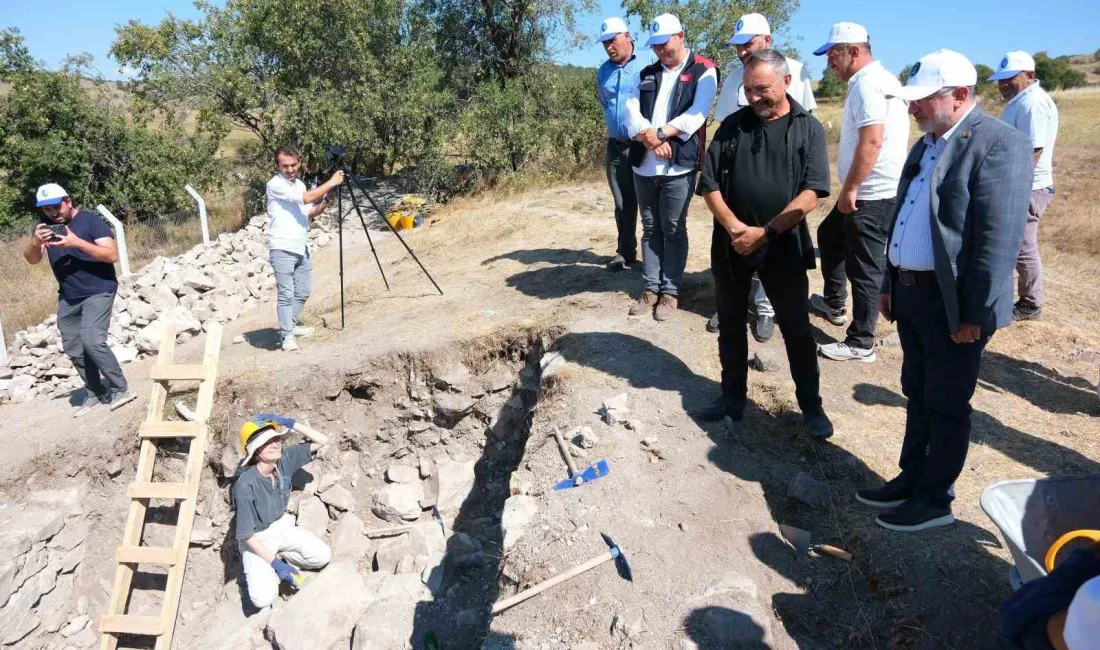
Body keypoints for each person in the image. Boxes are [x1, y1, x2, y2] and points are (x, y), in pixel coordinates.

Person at [856, 50, 1032, 532]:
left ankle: (935, 499)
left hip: (953, 304)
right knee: (916, 390)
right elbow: (905, 214)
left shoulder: (1000, 143)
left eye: (922, 100)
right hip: (912, 294)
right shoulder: (927, 143)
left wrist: (972, 314)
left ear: (958, 96)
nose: (912, 109)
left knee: (947, 401)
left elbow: (996, 239)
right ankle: (911, 478)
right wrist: (891, 281)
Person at [695, 49, 834, 439]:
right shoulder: (732, 126)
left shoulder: (808, 129)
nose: (754, 98)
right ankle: (732, 399)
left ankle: (812, 407)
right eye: (748, 90)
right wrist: (736, 228)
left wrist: (766, 232)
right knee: (731, 325)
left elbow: (812, 192)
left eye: (762, 90)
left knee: (797, 329)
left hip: (783, 246)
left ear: (787, 82)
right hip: (731, 246)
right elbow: (709, 184)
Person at [708, 12, 817, 342]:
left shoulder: (794, 71)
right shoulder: (733, 78)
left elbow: (803, 124)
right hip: (739, 179)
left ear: (767, 41)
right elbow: (724, 129)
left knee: (775, 253)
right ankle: (731, 307)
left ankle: (766, 309)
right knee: (735, 259)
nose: (742, 52)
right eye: (737, 47)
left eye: (748, 44)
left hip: (781, 187)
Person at [809, 23, 909, 363]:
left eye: (833, 55)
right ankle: (834, 303)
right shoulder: (877, 80)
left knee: (865, 266)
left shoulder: (869, 85)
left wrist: (851, 188)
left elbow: (872, 140)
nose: (829, 63)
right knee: (830, 235)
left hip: (872, 192)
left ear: (855, 51)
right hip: (869, 188)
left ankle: (861, 342)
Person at [623, 13, 718, 321]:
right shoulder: (646, 72)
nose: (661, 51)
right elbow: (630, 111)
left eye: (665, 44)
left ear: (681, 36)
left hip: (679, 166)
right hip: (645, 166)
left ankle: (671, 291)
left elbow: (696, 114)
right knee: (650, 228)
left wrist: (660, 133)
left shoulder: (704, 70)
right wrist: (648, 137)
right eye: (656, 46)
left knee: (674, 228)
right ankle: (651, 288)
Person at [23, 183, 135, 417]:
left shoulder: (90, 221)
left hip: (99, 289)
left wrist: (76, 243)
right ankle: (95, 391)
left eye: (56, 207)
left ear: (68, 201)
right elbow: (32, 260)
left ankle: (120, 389)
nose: (52, 213)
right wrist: (35, 241)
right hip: (69, 295)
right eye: (46, 209)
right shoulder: (45, 228)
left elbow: (111, 255)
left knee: (92, 339)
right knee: (73, 346)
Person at [234, 413, 332, 608]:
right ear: (255, 451)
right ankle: (274, 563)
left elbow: (323, 440)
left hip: (281, 527)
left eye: (276, 439)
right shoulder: (245, 485)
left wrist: (291, 423)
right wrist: (275, 564)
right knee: (263, 599)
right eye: (266, 442)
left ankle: (282, 557)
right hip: (257, 540)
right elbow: (245, 535)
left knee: (323, 556)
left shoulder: (284, 460)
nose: (275, 444)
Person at [989, 51, 1059, 322]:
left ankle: (1030, 304)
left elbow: (1034, 150)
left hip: (1028, 186)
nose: (1003, 84)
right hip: (1020, 184)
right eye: (1000, 80)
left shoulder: (1033, 103)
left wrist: (1013, 187)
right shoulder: (1022, 101)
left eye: (1009, 79)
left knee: (1023, 245)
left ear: (1029, 76)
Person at [266, 146, 344, 351]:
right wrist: (332, 182)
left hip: (301, 246)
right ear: (278, 166)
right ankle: (287, 336)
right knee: (286, 293)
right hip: (282, 246)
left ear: (299, 164)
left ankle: (289, 325)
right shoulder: (275, 185)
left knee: (303, 290)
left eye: (293, 165)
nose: (290, 169)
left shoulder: (299, 184)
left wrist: (326, 201)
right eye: (285, 166)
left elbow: (310, 211)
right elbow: (307, 199)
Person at [597, 17, 644, 272]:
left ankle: (658, 258)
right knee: (622, 203)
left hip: (645, 145)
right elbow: (606, 103)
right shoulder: (603, 71)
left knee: (651, 203)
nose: (609, 47)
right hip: (616, 146)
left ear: (627, 36)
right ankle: (625, 252)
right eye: (605, 43)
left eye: (612, 40)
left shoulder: (649, 64)